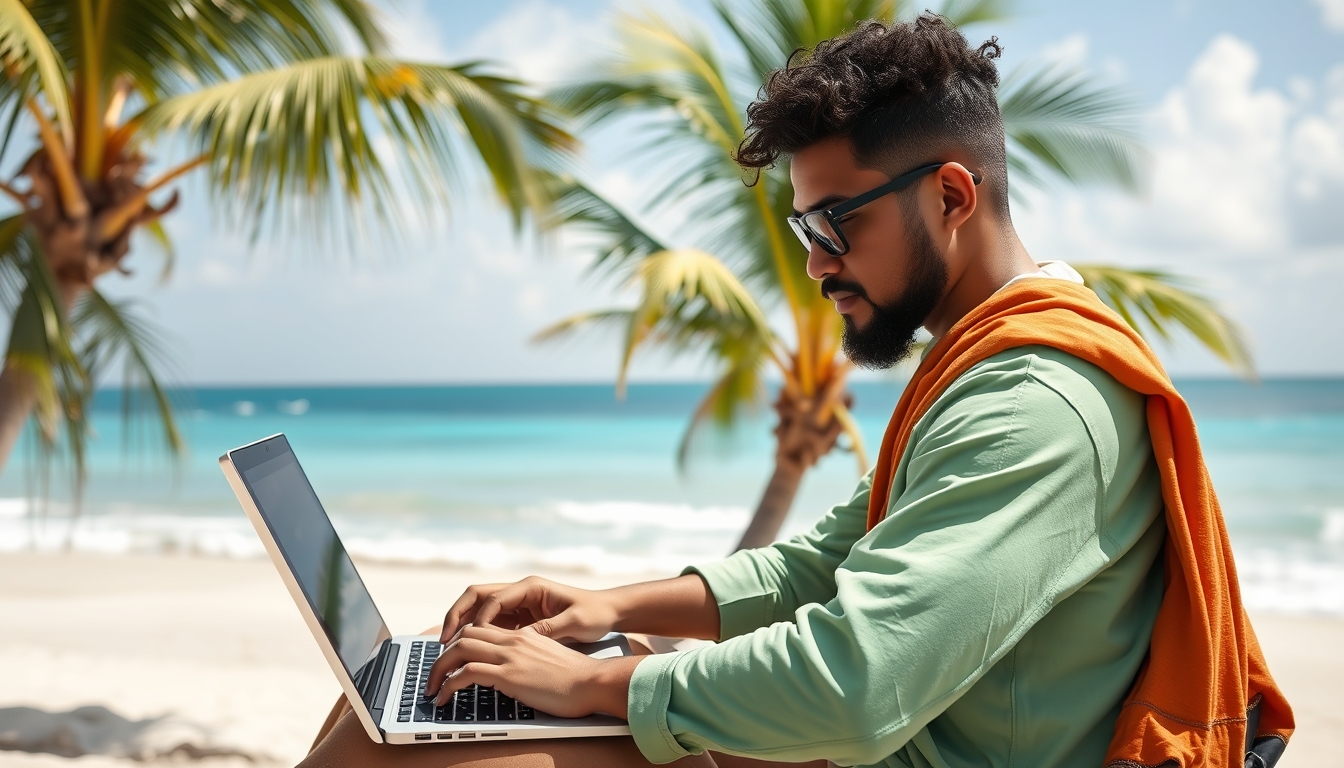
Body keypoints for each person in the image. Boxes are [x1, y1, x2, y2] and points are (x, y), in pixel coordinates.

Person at [302, 14, 1290, 768]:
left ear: (951, 196)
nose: (815, 266)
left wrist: (599, 682)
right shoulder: (981, 365)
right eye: (803, 232)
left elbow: (859, 680)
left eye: (834, 226)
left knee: (409, 738)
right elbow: (814, 571)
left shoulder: (1032, 402)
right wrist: (597, 602)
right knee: (415, 711)